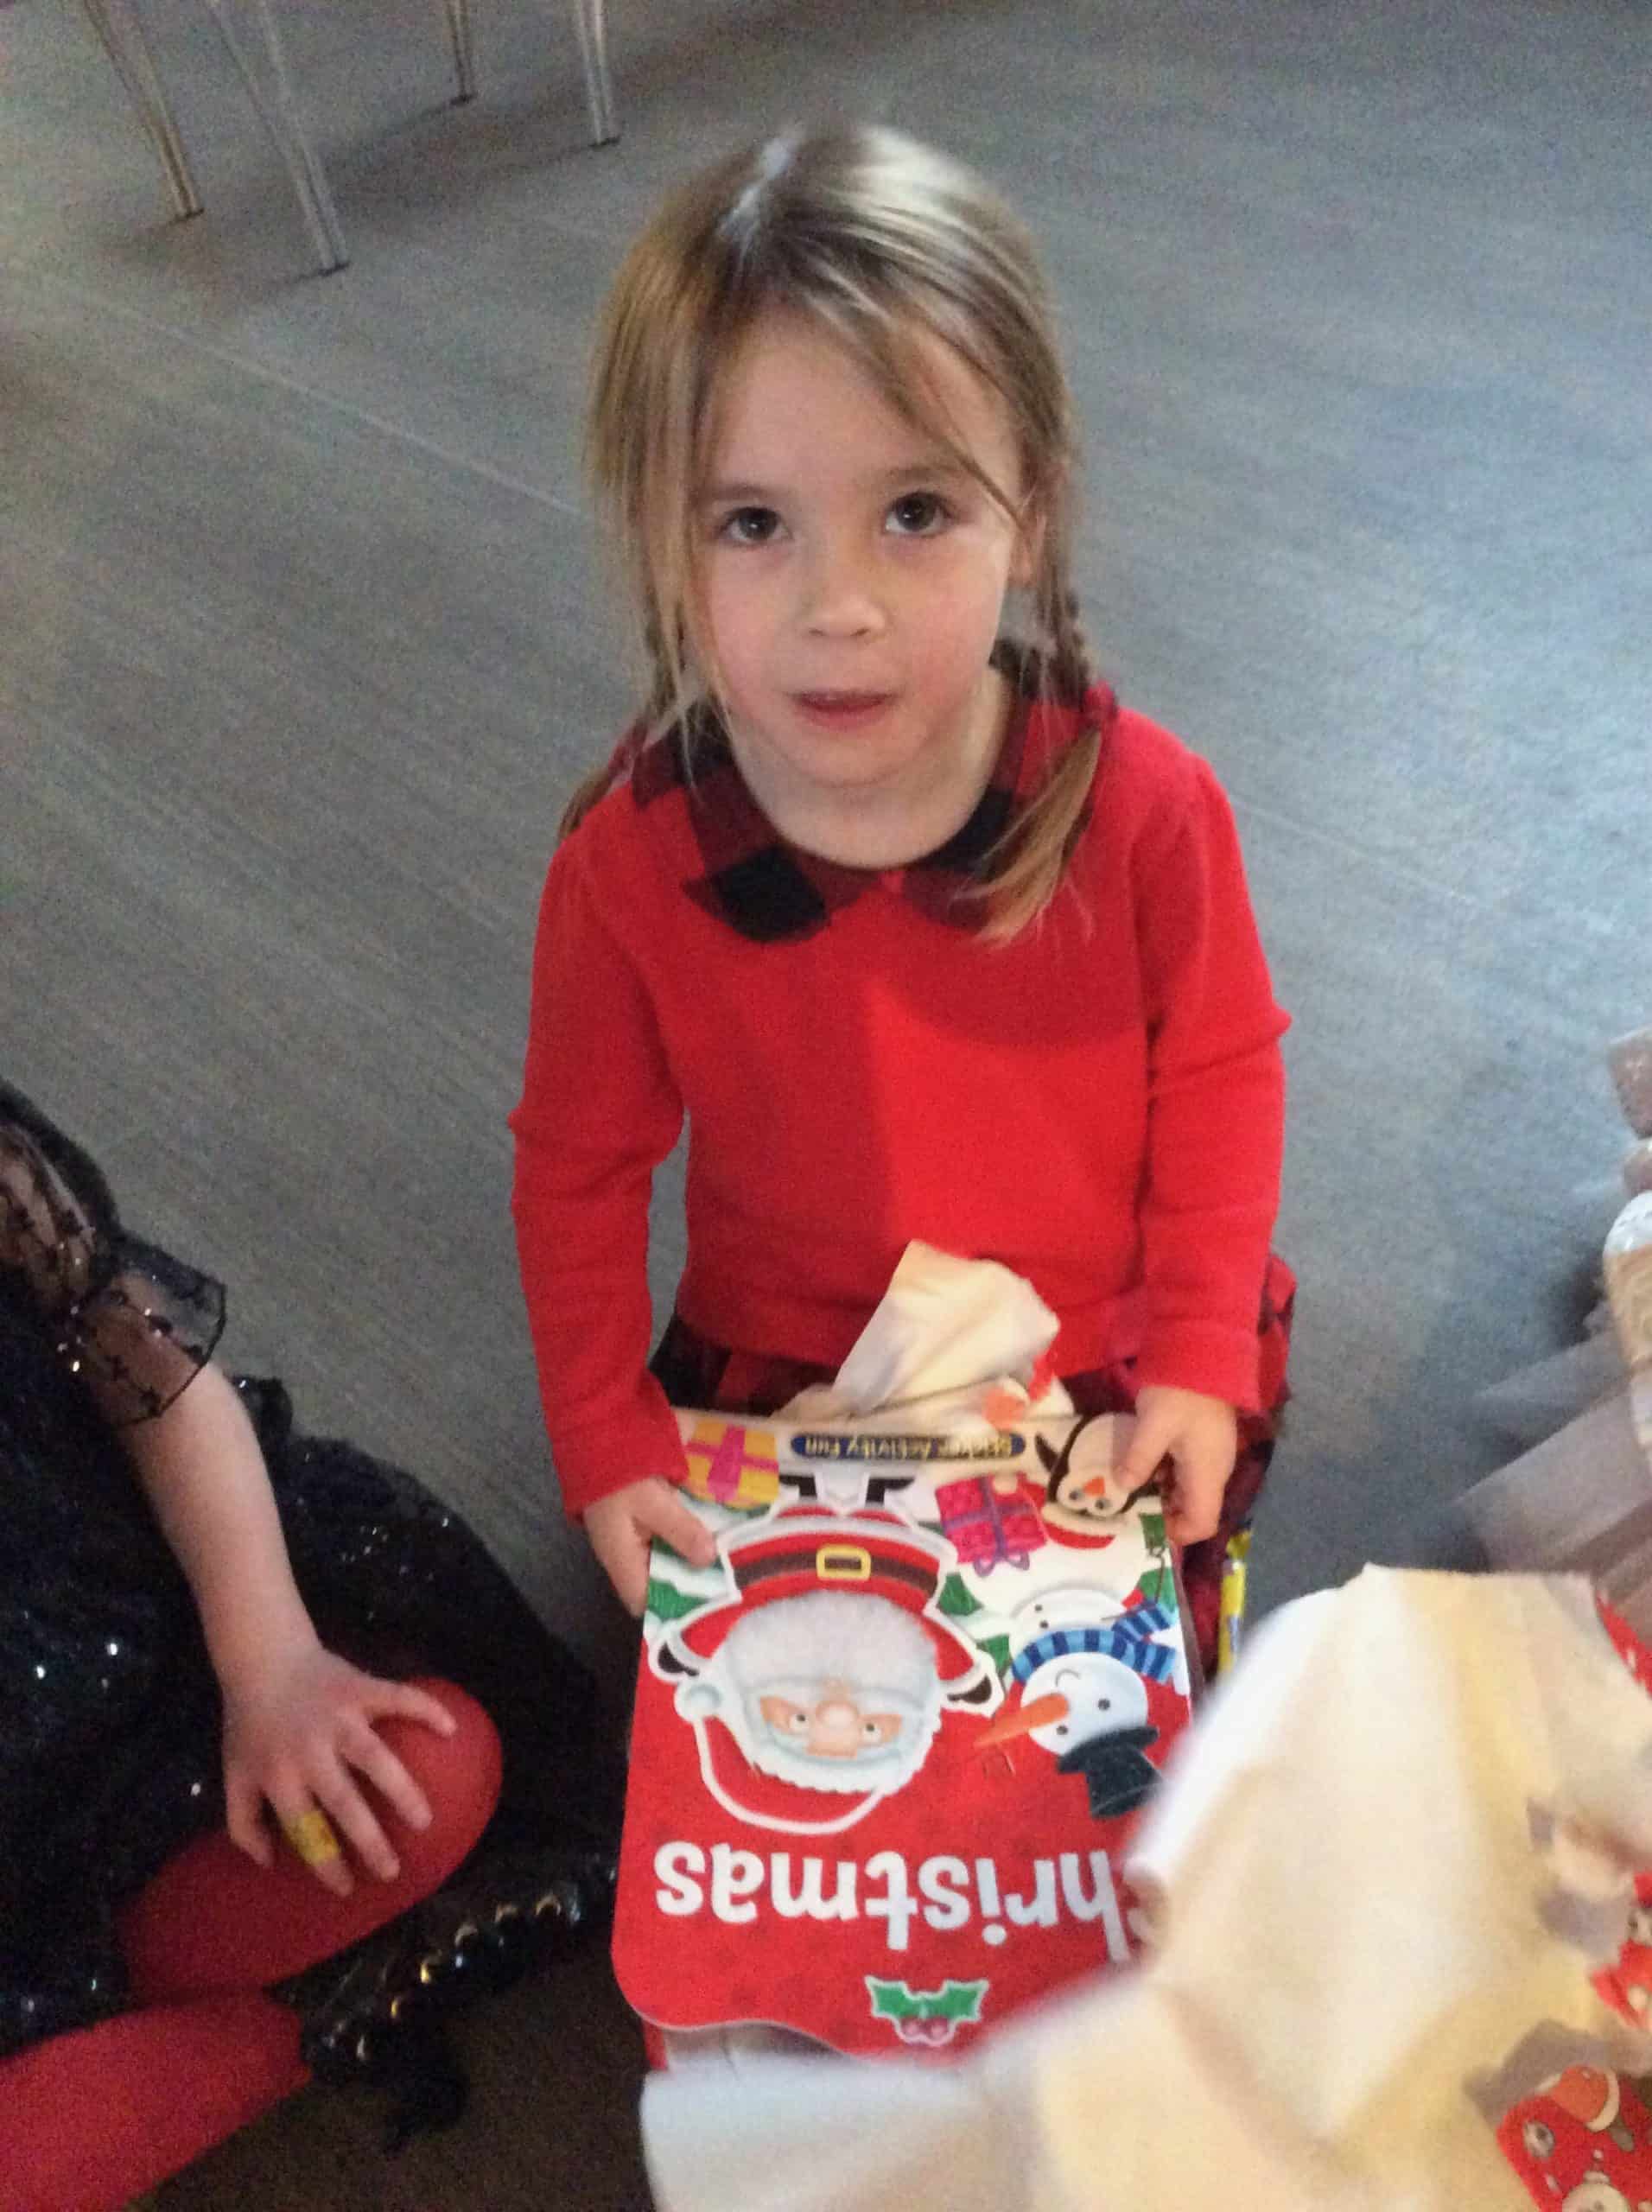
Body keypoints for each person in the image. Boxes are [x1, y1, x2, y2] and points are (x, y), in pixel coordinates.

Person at [511, 124, 1293, 1677]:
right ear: (660, 540)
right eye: (752, 523)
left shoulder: (1149, 814)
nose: (840, 607)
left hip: (1096, 1363)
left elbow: (1220, 1077)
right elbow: (576, 1175)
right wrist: (602, 1431)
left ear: (1032, 514)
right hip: (785, 1379)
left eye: (917, 512)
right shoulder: (629, 870)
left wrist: (1202, 1349)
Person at [0, 1076, 620, 2205]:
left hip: (144, 1690)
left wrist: (270, 1662)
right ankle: (302, 2008)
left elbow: (158, 1387)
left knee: (423, 1772)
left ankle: (206, 2004)